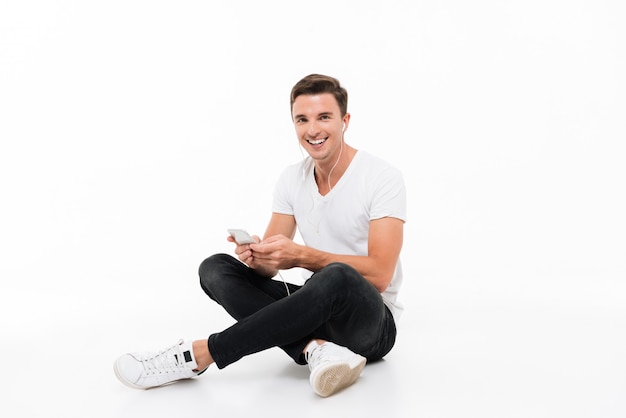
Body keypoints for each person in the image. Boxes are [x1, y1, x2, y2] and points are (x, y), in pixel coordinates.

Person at [113, 73, 407, 397]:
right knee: (215, 268)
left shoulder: (381, 178)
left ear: (345, 120)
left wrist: (303, 256)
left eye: (324, 117)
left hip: (370, 322)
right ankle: (315, 349)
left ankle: (198, 355)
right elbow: (269, 269)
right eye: (302, 119)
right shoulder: (292, 179)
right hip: (311, 308)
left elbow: (380, 274)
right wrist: (258, 256)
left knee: (337, 276)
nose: (313, 130)